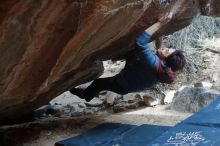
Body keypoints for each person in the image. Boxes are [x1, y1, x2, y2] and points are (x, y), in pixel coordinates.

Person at [70, 14, 186, 102]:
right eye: (168, 48)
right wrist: (159, 34)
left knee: (99, 82)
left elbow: (140, 42)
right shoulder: (165, 69)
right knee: (132, 52)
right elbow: (160, 48)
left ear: (165, 60)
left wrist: (159, 24)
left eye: (167, 51)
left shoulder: (153, 63)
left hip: (123, 84)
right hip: (135, 73)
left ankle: (85, 95)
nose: (165, 48)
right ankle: (116, 55)